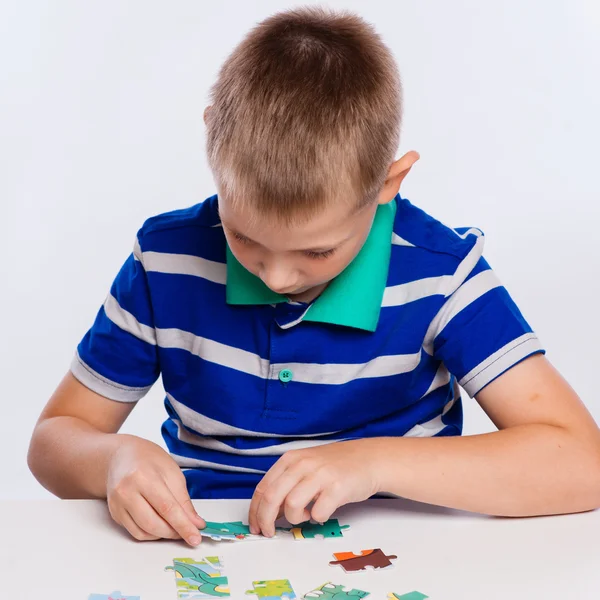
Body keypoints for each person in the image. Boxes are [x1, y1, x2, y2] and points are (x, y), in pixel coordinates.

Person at [28, 7, 600, 548]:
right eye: (245, 238)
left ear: (387, 185)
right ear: (212, 144)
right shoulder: (164, 261)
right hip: (209, 552)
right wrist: (113, 460)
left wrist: (372, 463)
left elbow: (580, 463)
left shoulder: (441, 273)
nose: (277, 275)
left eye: (318, 250)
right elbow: (55, 439)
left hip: (405, 552)